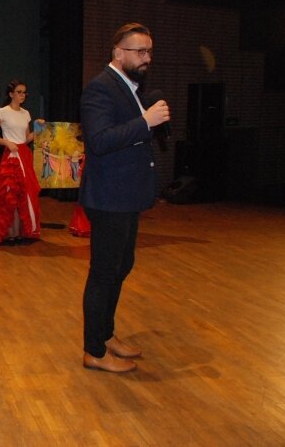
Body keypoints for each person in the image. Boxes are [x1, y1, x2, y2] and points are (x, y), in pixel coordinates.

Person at [79, 22, 169, 373]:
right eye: (140, 51)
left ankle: (106, 334)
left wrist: (148, 120)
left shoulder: (131, 87)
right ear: (118, 53)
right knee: (104, 273)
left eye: (149, 51)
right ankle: (93, 351)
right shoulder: (100, 89)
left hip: (126, 195)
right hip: (108, 197)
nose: (147, 57)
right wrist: (145, 121)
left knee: (121, 266)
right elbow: (99, 140)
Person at [0, 80, 42, 245]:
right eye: (19, 92)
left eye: (24, 92)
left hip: (24, 155)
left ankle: (19, 233)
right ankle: (9, 233)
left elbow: (26, 138)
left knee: (24, 194)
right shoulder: (3, 112)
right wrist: (6, 143)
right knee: (9, 195)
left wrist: (38, 127)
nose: (22, 95)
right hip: (11, 156)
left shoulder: (26, 114)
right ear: (11, 94)